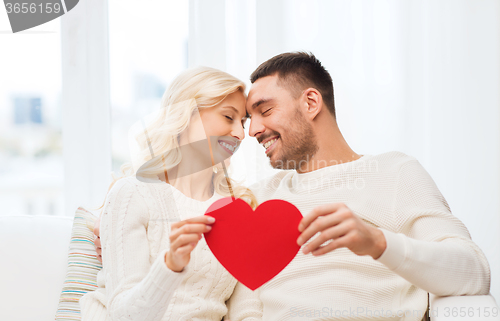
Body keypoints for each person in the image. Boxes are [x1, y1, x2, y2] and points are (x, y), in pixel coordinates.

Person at [223, 52, 491, 321]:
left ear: (311, 102)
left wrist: (377, 242)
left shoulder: (394, 173)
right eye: (250, 118)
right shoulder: (257, 198)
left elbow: (474, 272)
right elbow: (246, 305)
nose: (252, 130)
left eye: (266, 110)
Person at [80, 66, 263, 321]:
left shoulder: (240, 205)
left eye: (242, 122)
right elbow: (124, 315)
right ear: (187, 116)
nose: (240, 134)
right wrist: (170, 265)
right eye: (228, 117)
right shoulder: (134, 193)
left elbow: (247, 309)